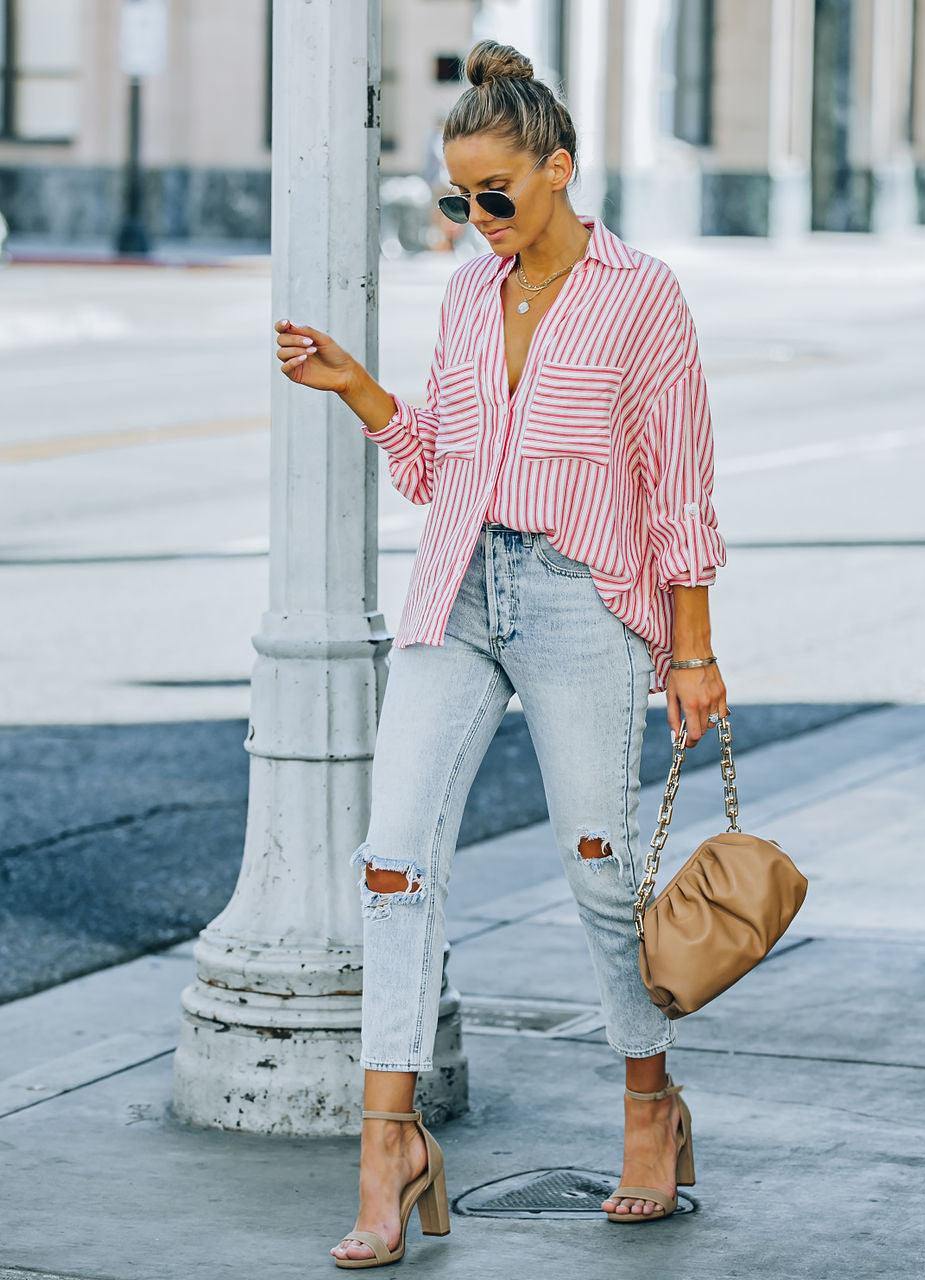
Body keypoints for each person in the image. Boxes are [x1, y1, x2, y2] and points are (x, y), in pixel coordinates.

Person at [274, 38, 728, 1270]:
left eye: (495, 196)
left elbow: (676, 479)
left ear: (559, 169)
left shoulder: (642, 294)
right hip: (457, 590)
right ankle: (389, 1144)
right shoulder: (469, 293)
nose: (474, 220)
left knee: (596, 870)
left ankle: (650, 1104)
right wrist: (361, 388)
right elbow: (440, 466)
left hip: (587, 598)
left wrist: (690, 647)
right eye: (455, 197)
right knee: (392, 860)